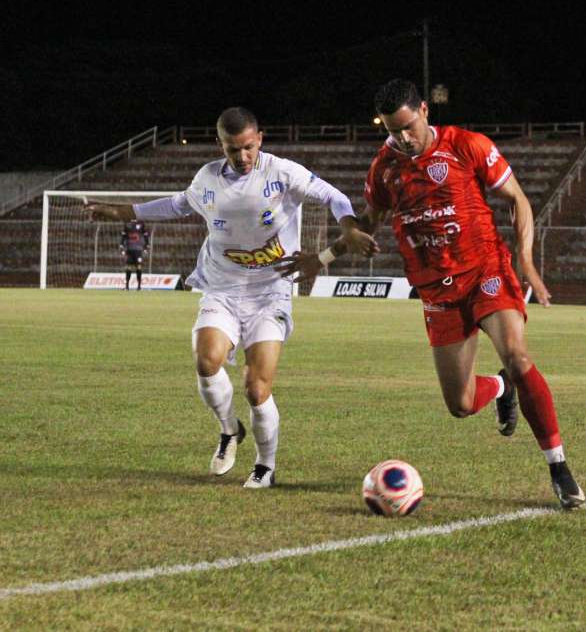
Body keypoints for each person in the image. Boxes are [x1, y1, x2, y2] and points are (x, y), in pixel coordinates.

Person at [276, 79, 586, 509]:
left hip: (485, 270)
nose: (402, 137)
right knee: (460, 404)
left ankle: (559, 467)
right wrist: (324, 256)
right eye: (391, 129)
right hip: (437, 289)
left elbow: (517, 199)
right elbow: (369, 219)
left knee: (517, 357)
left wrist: (526, 260)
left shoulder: (466, 145)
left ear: (424, 110)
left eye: (407, 126)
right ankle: (500, 389)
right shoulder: (384, 167)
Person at [85, 107, 376, 488]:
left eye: (248, 148)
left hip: (270, 292)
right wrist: (122, 212)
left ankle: (265, 466)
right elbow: (176, 205)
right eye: (232, 149)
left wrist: (349, 228)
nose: (242, 157)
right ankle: (228, 430)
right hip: (221, 287)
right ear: (220, 145)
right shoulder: (207, 178)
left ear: (260, 139)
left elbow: (333, 196)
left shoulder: (282, 172)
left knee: (256, 387)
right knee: (206, 361)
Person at [120, 218, 151, 290]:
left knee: (139, 267)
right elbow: (123, 236)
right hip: (129, 250)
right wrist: (121, 246)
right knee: (128, 267)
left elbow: (145, 235)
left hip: (138, 250)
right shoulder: (127, 224)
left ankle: (139, 286)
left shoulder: (141, 224)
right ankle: (127, 286)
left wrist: (147, 246)